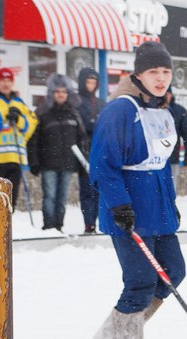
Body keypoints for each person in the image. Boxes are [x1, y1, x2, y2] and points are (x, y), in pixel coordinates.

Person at [89, 41, 183, 339]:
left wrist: (171, 204)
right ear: (138, 75)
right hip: (129, 209)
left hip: (158, 210)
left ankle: (115, 332)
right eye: (153, 71)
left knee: (172, 271)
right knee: (140, 280)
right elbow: (102, 163)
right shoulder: (120, 110)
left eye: (166, 71)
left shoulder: (162, 109)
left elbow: (162, 165)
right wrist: (119, 204)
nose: (161, 78)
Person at [26, 74, 86, 233]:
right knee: (50, 196)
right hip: (48, 163)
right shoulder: (42, 113)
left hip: (68, 163)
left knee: (62, 197)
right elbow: (33, 140)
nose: (61, 94)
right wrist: (33, 162)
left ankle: (59, 225)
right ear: (52, 93)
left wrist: (81, 163)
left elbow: (81, 140)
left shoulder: (73, 114)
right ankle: (49, 226)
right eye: (57, 91)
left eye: (64, 91)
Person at [0, 67, 37, 208]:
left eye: (9, 80)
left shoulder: (19, 102)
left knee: (10, 203)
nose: (6, 83)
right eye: (2, 80)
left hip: (15, 158)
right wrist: (5, 112)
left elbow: (31, 125)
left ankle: (8, 221)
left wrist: (19, 119)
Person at [75, 66, 105, 234]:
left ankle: (100, 221)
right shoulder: (76, 101)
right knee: (87, 190)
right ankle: (89, 223)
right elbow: (78, 124)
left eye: (94, 82)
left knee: (99, 190)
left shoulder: (100, 102)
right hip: (84, 150)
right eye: (88, 82)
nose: (91, 85)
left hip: (100, 150)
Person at [166, 89, 187, 193]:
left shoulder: (179, 111)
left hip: (173, 157)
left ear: (171, 95)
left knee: (171, 189)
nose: (165, 96)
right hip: (155, 159)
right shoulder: (153, 109)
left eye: (167, 94)